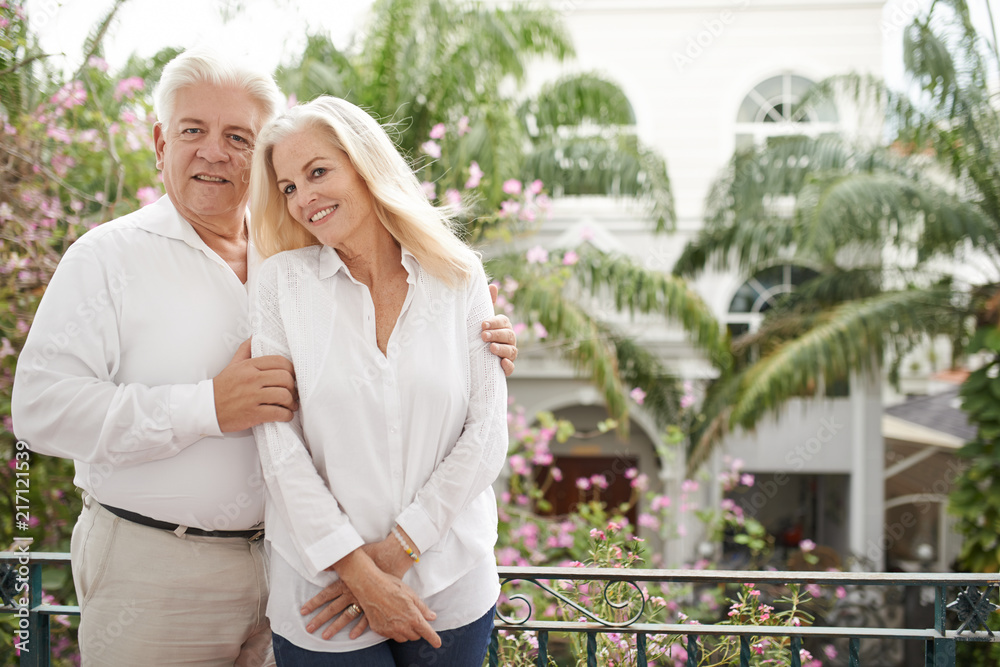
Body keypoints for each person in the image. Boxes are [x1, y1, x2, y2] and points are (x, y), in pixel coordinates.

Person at [10, 48, 517, 667]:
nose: (215, 152)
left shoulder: (307, 253)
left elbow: (420, 374)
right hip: (164, 575)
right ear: (159, 141)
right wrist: (206, 406)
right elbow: (38, 410)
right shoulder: (107, 258)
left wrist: (479, 350)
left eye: (238, 137)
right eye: (193, 130)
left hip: (297, 578)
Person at [246, 95, 507, 666]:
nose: (304, 197)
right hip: (324, 597)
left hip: (451, 583)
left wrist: (395, 553)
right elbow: (277, 445)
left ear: (364, 164)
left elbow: (486, 430)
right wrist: (354, 569)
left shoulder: (459, 274)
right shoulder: (279, 286)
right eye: (288, 187)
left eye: (318, 172)